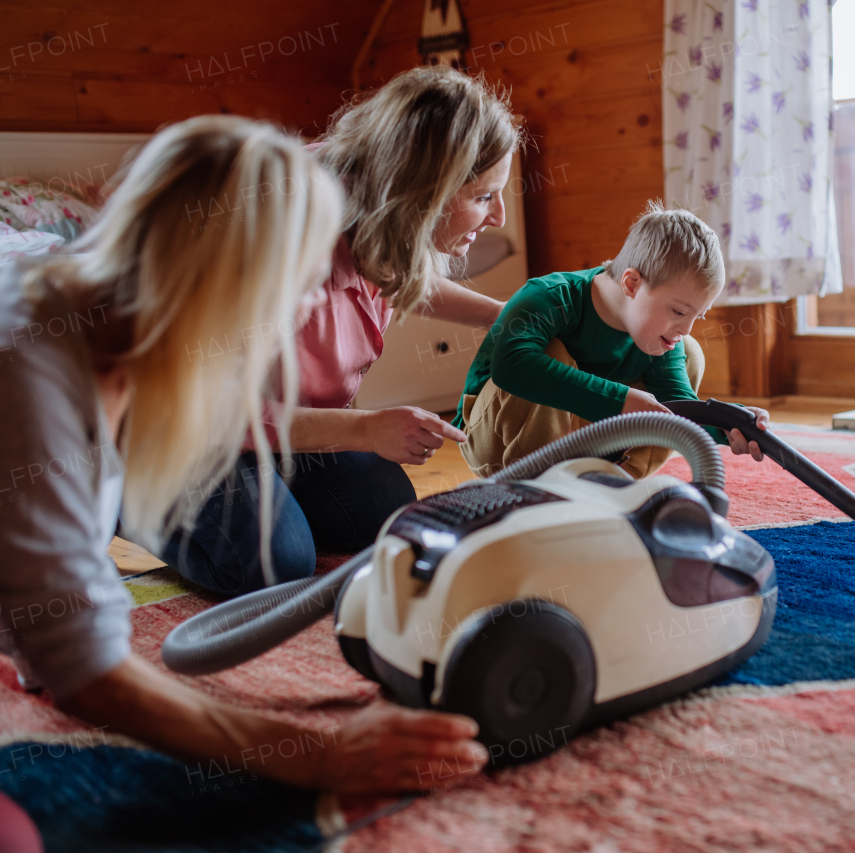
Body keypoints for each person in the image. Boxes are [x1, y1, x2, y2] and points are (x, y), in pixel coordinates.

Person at [0, 116, 487, 794]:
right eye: (303, 276)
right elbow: (80, 665)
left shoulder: (117, 341)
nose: (317, 299)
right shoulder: (35, 368)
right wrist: (322, 756)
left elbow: (55, 627)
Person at [163, 66, 521, 596]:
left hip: (287, 426)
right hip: (189, 434)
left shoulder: (374, 195)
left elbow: (395, 275)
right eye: (484, 196)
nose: (498, 216)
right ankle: (135, 499)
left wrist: (506, 315)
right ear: (424, 191)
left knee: (387, 516)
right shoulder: (284, 235)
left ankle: (270, 496)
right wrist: (365, 431)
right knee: (272, 566)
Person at [455, 201, 770, 480]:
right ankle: (538, 487)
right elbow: (511, 366)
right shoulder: (549, 296)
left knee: (689, 351)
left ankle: (616, 480)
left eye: (695, 317)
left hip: (587, 444)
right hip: (496, 447)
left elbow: (676, 401)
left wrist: (730, 422)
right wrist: (620, 402)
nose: (685, 327)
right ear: (632, 283)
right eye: (677, 311)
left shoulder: (655, 333)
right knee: (549, 354)